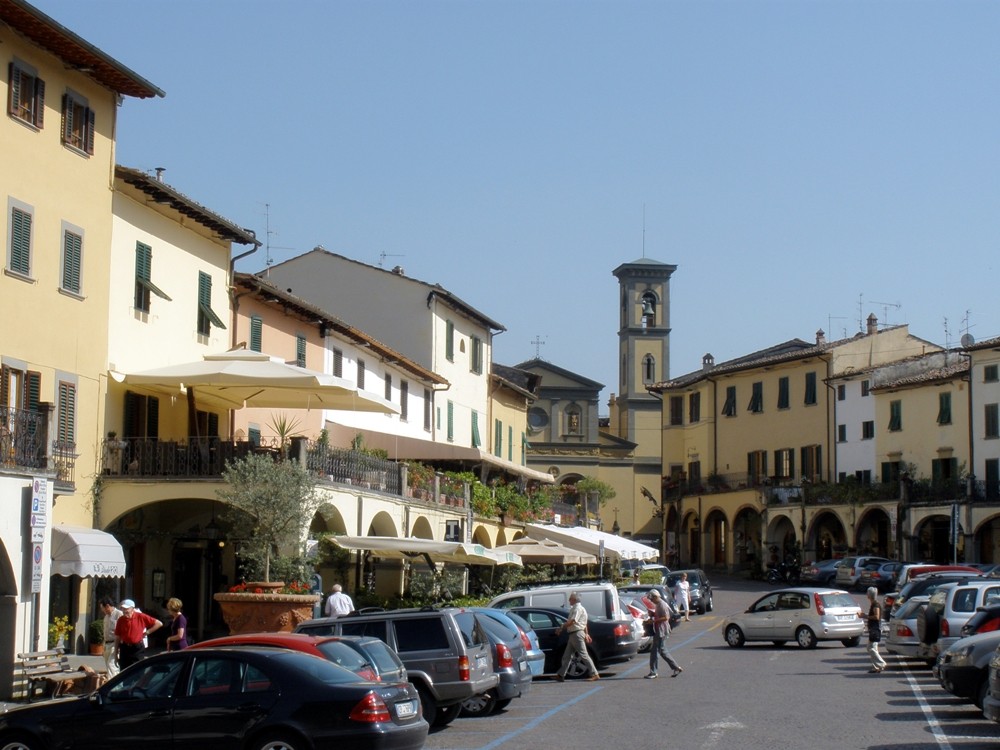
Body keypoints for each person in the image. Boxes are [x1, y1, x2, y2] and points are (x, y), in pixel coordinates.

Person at [555, 591, 600, 682]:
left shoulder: (577, 609)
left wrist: (562, 627)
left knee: (583, 655)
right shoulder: (577, 608)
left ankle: (594, 673)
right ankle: (561, 675)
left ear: (574, 599)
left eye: (570, 598)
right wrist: (586, 634)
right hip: (574, 634)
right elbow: (584, 623)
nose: (569, 600)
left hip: (576, 633)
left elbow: (573, 621)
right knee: (567, 656)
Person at [114, 599, 162, 670]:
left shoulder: (140, 616)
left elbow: (159, 623)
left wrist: (146, 633)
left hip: (137, 648)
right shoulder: (121, 620)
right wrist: (115, 655)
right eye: (123, 609)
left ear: (133, 609)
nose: (124, 611)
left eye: (126, 609)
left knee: (137, 671)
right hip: (125, 648)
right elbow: (117, 637)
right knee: (124, 671)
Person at [644, 589, 683, 679]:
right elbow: (660, 615)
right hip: (660, 630)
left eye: (652, 599)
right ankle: (676, 667)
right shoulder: (659, 604)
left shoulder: (662, 604)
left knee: (655, 651)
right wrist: (653, 614)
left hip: (662, 631)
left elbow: (666, 617)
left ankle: (653, 672)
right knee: (662, 651)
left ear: (655, 597)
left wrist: (653, 620)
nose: (651, 601)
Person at [863, 586, 887, 673]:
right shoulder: (873, 604)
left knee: (871, 648)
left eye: (867, 593)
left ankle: (881, 663)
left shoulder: (876, 605)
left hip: (875, 629)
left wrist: (865, 616)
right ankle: (876, 667)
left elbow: (876, 616)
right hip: (873, 629)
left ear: (869, 595)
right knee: (873, 648)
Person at [98, 597, 122, 678]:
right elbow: (105, 632)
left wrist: (119, 646)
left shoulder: (119, 614)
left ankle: (114, 687)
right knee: (108, 666)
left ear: (107, 606)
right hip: (106, 644)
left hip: (115, 644)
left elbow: (122, 631)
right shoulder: (106, 617)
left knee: (112, 665)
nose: (102, 610)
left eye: (103, 608)